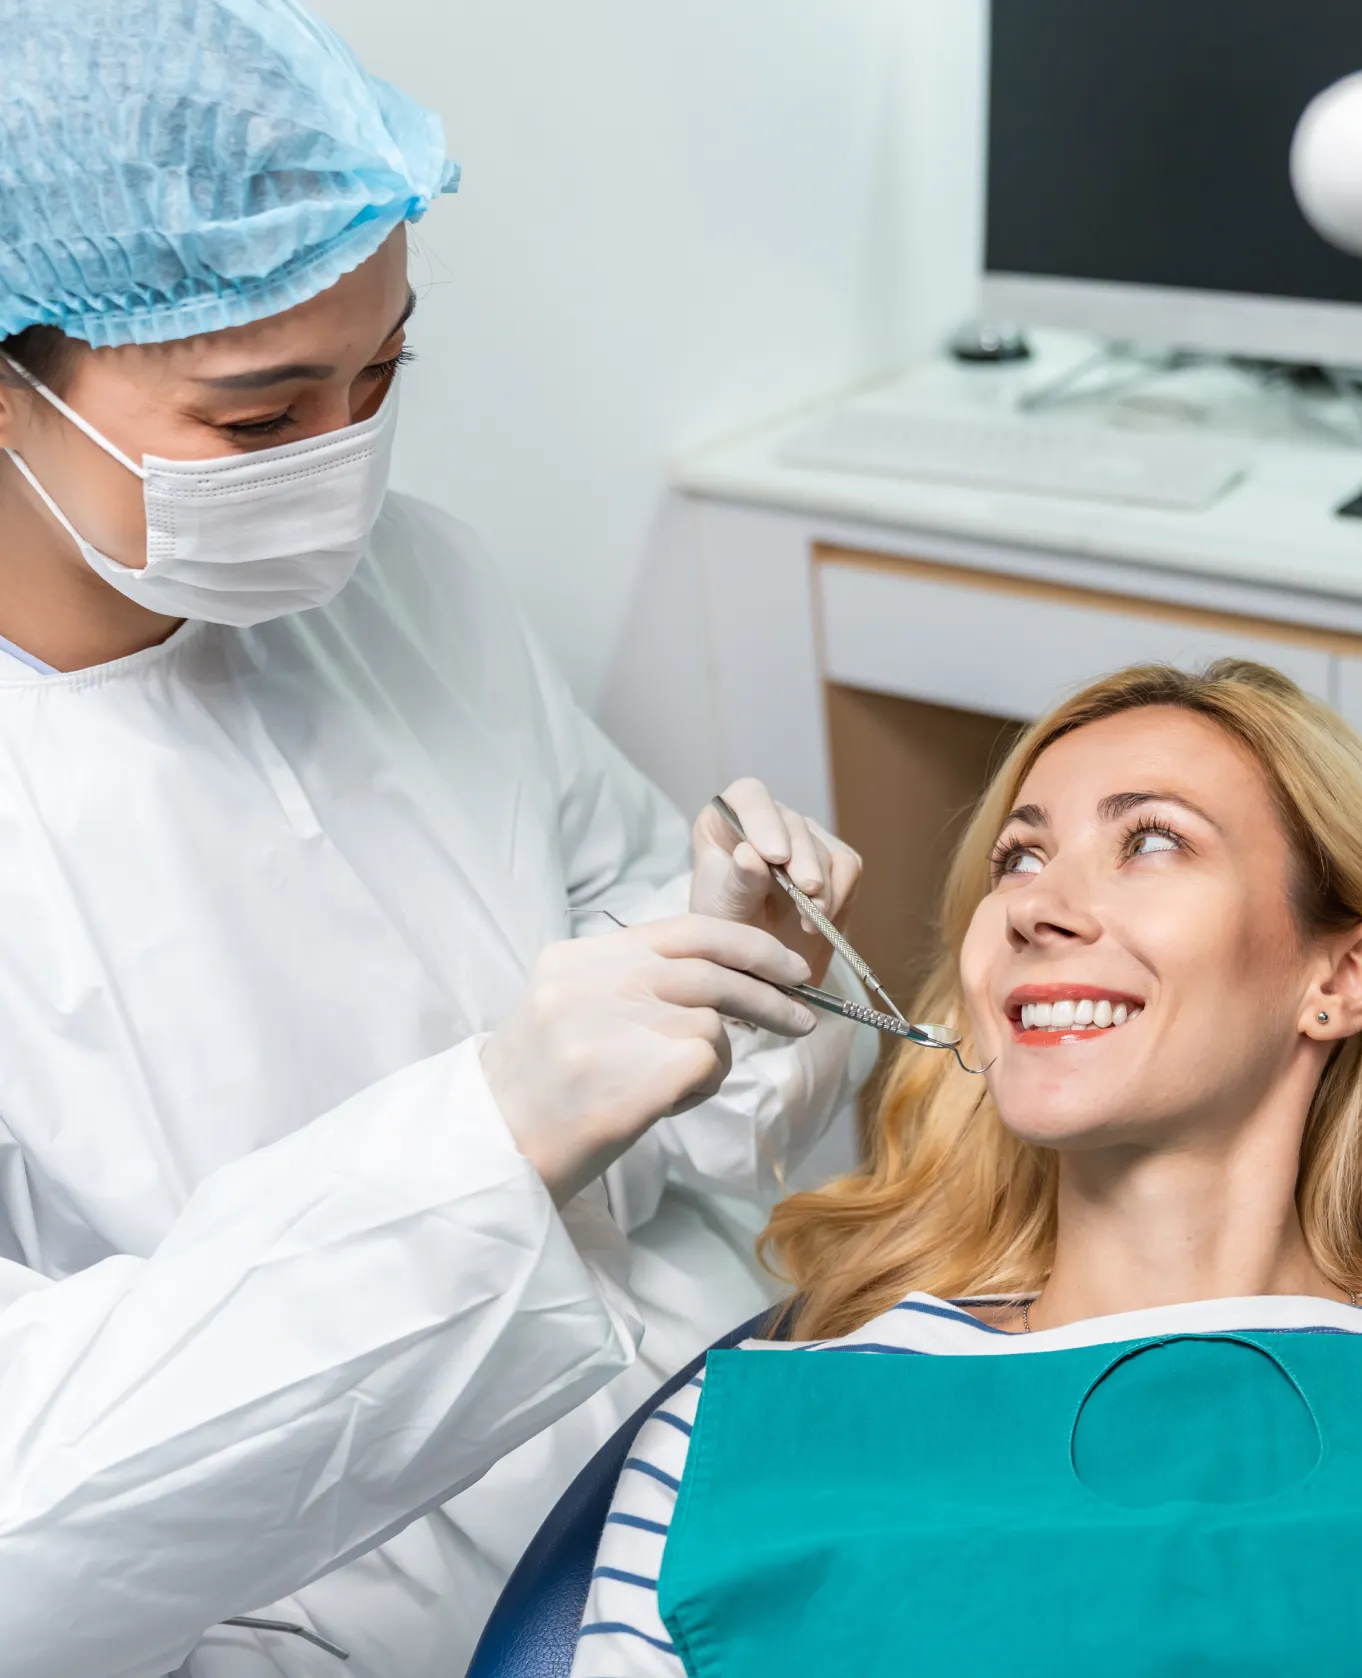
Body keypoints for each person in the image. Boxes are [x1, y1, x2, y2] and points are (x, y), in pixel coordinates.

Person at [0, 5, 872, 1676]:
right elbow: (32, 1521)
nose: (340, 464)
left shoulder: (417, 587)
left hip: (703, 1451)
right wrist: (485, 1143)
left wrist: (725, 959)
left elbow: (667, 1047)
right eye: (256, 423)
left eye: (381, 375)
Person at [579, 659, 1362, 1676]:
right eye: (1019, 856)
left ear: (1342, 977)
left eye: (1151, 840)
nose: (1034, 906)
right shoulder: (743, 1449)